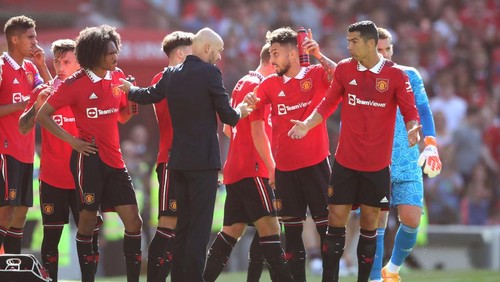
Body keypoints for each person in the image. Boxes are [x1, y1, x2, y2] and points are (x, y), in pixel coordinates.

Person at [287, 20, 421, 282]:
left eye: (354, 41)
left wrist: (413, 128)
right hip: (346, 163)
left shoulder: (395, 75)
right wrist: (307, 124)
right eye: (348, 41)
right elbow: (327, 104)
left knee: (369, 223)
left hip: (377, 166)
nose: (348, 46)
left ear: (371, 44)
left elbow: (410, 111)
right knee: (335, 219)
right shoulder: (345, 70)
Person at [120, 27, 251, 282]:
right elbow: (228, 115)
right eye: (219, 51)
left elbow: (148, 95)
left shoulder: (170, 74)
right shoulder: (210, 72)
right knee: (199, 229)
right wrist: (242, 110)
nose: (220, 57)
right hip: (202, 162)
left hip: (177, 161)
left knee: (182, 228)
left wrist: (128, 89)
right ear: (207, 48)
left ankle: (179, 277)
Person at [36, 25, 142, 282]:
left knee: (134, 223)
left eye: (116, 51)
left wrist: (132, 102)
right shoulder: (74, 84)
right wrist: (72, 140)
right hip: (89, 160)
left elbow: (123, 117)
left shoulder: (118, 78)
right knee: (86, 224)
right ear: (95, 54)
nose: (115, 56)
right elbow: (43, 116)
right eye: (110, 53)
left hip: (115, 161)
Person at [244, 26, 337, 282]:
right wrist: (239, 112)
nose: (271, 60)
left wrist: (319, 54)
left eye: (275, 53)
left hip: (317, 165)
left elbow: (343, 78)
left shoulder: (317, 73)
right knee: (292, 237)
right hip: (285, 171)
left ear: (293, 54)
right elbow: (251, 107)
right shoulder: (270, 85)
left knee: (326, 231)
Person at [203, 43, 293, 282]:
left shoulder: (242, 82)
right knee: (272, 230)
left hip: (236, 168)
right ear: (271, 61)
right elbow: (256, 131)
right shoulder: (258, 86)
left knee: (232, 231)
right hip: (255, 169)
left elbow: (227, 129)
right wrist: (272, 167)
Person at [18, 39, 104, 282]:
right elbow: (23, 128)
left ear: (79, 64)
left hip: (83, 179)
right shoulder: (44, 91)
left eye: (66, 61)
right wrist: (36, 108)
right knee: (51, 237)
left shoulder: (90, 91)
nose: (60, 66)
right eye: (57, 61)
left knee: (89, 236)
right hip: (52, 179)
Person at [368, 27, 442, 282]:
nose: (385, 54)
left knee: (412, 220)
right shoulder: (361, 79)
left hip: (408, 159)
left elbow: (423, 109)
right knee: (377, 220)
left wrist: (431, 144)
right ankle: (376, 277)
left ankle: (393, 268)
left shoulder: (410, 75)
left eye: (388, 48)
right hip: (376, 159)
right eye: (379, 49)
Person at [0, 15, 51, 254]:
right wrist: (20, 106)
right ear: (14, 38)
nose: (35, 41)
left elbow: (53, 95)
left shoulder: (31, 68)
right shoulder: (1, 67)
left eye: (35, 36)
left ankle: (10, 267)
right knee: (6, 210)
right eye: (30, 37)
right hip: (5, 149)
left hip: (26, 152)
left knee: (20, 213)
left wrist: (42, 64)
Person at [146, 30, 194, 282]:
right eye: (191, 51)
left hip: (190, 161)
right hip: (171, 159)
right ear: (179, 53)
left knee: (183, 226)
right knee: (168, 222)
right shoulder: (163, 77)